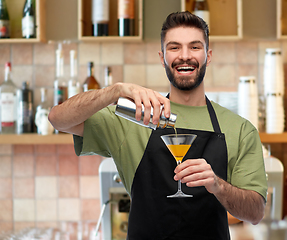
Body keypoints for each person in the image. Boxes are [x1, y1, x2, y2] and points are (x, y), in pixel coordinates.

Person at [48, 11, 267, 240]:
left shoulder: (240, 129)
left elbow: (255, 213)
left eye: (194, 47)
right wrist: (116, 91)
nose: (185, 56)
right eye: (174, 48)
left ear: (208, 56)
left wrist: (218, 185)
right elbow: (57, 118)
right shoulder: (132, 120)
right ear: (162, 57)